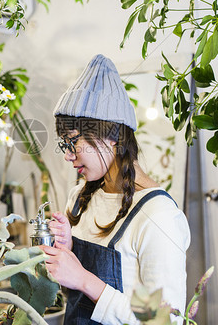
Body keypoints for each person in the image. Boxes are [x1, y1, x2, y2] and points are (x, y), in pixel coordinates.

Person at [39, 54, 191, 325]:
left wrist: (84, 279)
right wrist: (67, 249)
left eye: (72, 142)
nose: (68, 155)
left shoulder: (158, 216)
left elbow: (165, 320)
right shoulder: (80, 198)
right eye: (64, 144)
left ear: (110, 136)